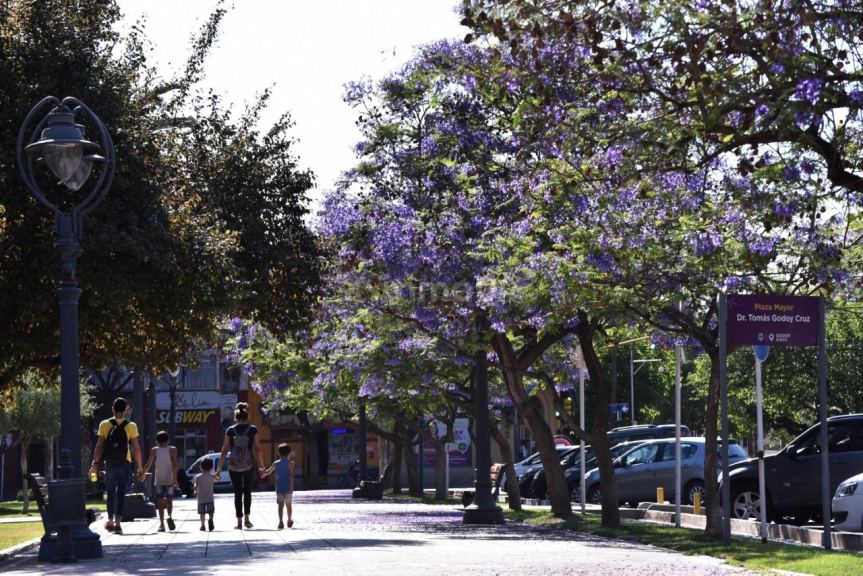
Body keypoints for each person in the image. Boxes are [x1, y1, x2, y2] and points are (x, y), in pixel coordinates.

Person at [88, 397, 143, 535]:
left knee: (111, 493)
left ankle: (110, 521)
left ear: (113, 409)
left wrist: (95, 464)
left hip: (110, 463)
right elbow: (136, 448)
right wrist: (140, 467)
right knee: (121, 492)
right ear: (125, 410)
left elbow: (99, 446)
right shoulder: (131, 426)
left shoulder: (104, 424)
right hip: (125, 463)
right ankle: (118, 522)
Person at [215, 401, 264, 529]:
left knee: (237, 493)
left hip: (234, 465)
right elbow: (258, 449)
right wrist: (262, 467)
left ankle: (239, 522)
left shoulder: (230, 430)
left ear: (235, 417)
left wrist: (219, 470)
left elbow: (224, 450)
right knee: (247, 491)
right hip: (249, 464)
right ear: (247, 417)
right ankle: (247, 519)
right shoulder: (253, 429)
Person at [139, 430, 178, 532]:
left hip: (159, 480)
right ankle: (169, 516)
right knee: (169, 501)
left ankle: (161, 525)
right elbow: (174, 465)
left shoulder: (154, 450)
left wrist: (142, 474)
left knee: (160, 504)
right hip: (170, 479)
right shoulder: (173, 450)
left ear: (157, 441)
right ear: (168, 440)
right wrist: (175, 479)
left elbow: (148, 464)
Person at [261, 443, 295, 529]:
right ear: (288, 453)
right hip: (288, 488)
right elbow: (291, 475)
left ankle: (280, 521)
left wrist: (263, 473)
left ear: (279, 453)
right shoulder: (291, 463)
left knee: (280, 505)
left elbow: (268, 472)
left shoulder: (276, 463)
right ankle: (289, 519)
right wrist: (291, 488)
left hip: (279, 488)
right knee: (288, 505)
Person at [195, 457, 216, 531]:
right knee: (211, 511)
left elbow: (196, 486)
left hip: (201, 498)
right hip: (210, 497)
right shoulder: (212, 476)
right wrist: (217, 473)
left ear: (201, 467)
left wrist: (195, 491)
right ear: (211, 467)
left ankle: (203, 525)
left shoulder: (198, 477)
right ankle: (210, 519)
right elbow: (218, 478)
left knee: (202, 513)